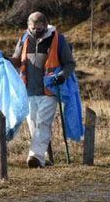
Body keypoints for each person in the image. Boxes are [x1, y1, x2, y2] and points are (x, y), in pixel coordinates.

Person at [10, 12, 76, 168]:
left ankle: (34, 157)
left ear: (45, 26)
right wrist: (4, 59)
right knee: (34, 126)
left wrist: (62, 75)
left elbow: (70, 64)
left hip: (50, 90)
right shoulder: (24, 39)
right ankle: (44, 158)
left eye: (39, 29)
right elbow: (17, 60)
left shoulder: (58, 39)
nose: (35, 32)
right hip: (28, 91)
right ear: (28, 26)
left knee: (43, 124)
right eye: (32, 29)